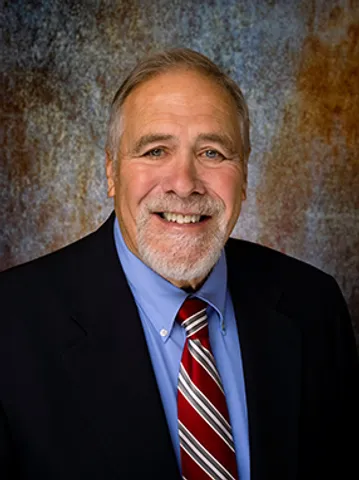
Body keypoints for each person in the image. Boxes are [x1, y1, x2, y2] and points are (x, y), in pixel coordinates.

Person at [0, 48, 358, 480]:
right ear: (111, 170)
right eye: (154, 151)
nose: (184, 184)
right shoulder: (11, 323)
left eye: (212, 153)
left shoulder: (313, 306)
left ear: (243, 172)